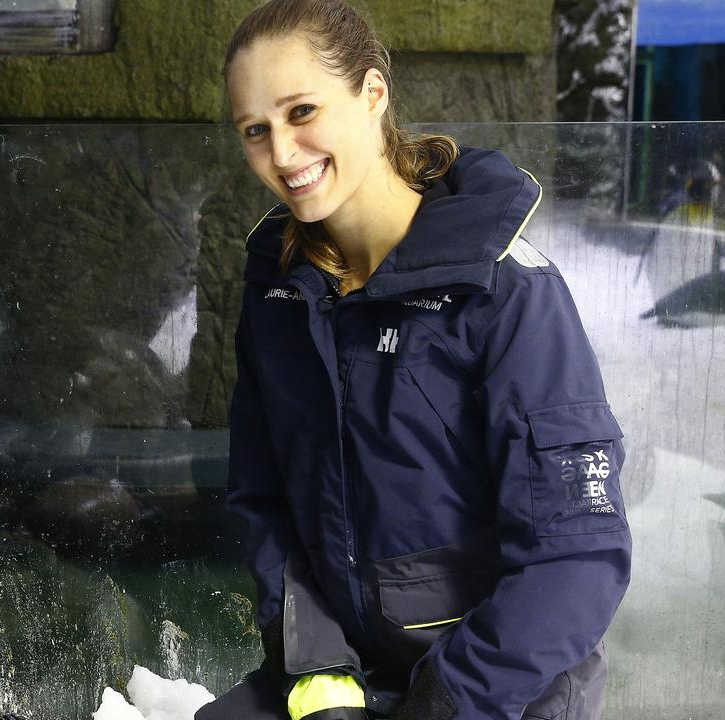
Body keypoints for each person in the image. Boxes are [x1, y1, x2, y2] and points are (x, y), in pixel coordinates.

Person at [196, 1, 632, 719]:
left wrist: (446, 700)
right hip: (355, 670)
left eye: (302, 111)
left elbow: (577, 556)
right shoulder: (281, 292)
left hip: (499, 684)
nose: (281, 154)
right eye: (256, 130)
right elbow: (264, 501)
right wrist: (320, 673)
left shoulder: (507, 289)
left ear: (372, 96)